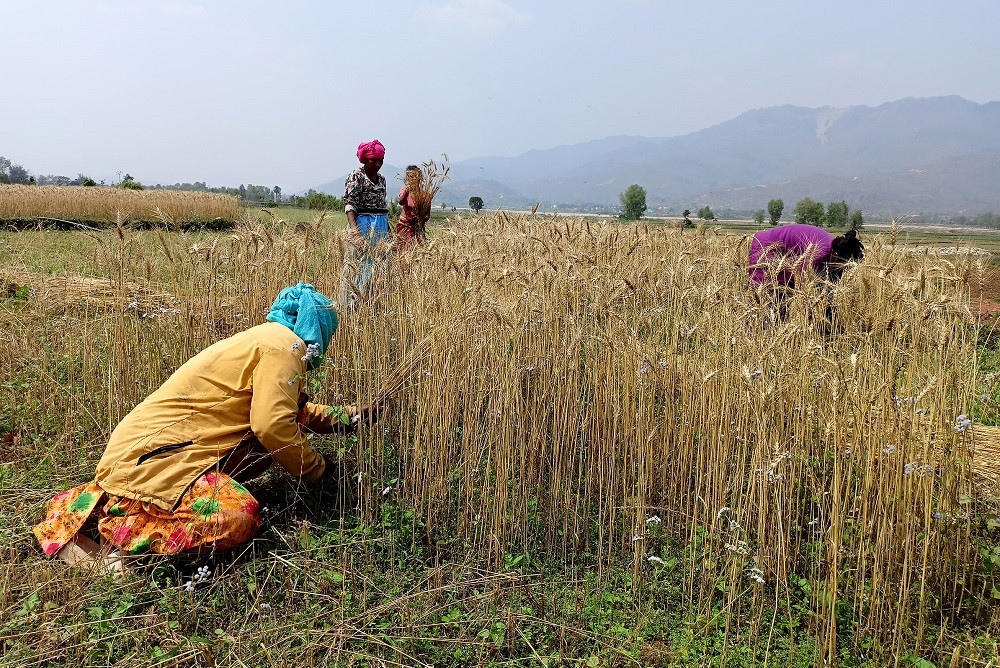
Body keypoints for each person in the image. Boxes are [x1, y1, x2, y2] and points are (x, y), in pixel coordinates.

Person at [33, 283, 378, 563]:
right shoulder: (284, 347)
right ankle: (117, 533)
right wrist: (319, 472)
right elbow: (273, 426)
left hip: (144, 453)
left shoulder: (264, 339)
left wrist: (350, 416)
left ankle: (110, 512)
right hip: (157, 460)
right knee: (239, 518)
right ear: (315, 327)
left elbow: (293, 413)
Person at [342, 140, 390, 308]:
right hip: (362, 226)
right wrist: (355, 233)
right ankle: (354, 306)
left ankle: (373, 306)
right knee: (360, 266)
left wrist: (388, 234)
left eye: (380, 160)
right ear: (364, 160)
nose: (378, 164)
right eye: (373, 160)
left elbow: (382, 206)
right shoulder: (356, 176)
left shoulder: (382, 179)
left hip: (380, 227)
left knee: (379, 267)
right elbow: (350, 205)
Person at [748, 224, 864, 286]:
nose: (846, 269)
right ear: (838, 255)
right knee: (765, 292)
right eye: (846, 265)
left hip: (785, 251)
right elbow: (802, 282)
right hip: (765, 246)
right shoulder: (819, 252)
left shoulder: (834, 249)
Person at [395, 165, 430, 253]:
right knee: (403, 252)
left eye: (415, 177)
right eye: (410, 177)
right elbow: (401, 202)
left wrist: (421, 218)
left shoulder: (426, 195)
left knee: (417, 252)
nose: (413, 179)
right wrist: (407, 190)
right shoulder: (404, 190)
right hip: (404, 226)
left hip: (417, 227)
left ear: (420, 178)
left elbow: (427, 215)